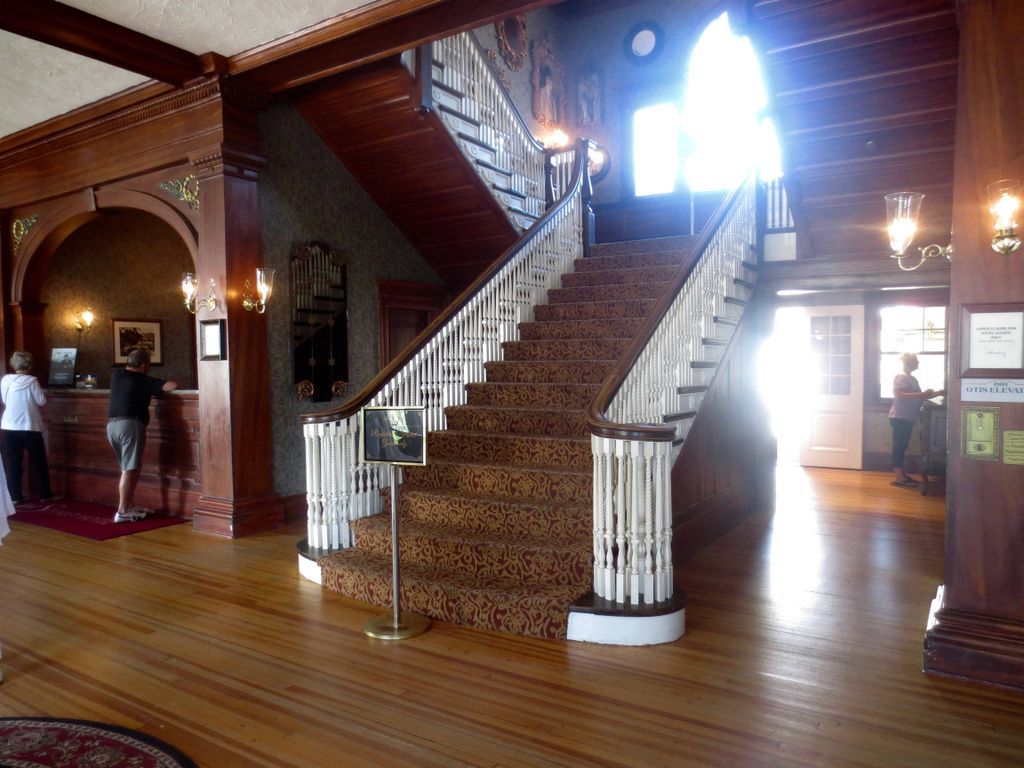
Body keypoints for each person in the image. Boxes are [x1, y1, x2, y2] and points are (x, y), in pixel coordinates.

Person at [107, 348, 177, 522]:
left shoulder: (117, 376)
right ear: (145, 365)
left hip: (112, 426)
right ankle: (122, 511)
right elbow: (172, 386)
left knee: (131, 466)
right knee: (129, 469)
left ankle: (129, 506)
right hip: (130, 424)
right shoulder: (143, 380)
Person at [1, 351, 55, 504]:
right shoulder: (32, 381)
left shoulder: (5, 380)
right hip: (30, 425)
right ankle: (45, 494)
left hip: (9, 425)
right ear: (30, 365)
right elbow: (41, 401)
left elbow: (4, 400)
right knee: (39, 462)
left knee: (13, 462)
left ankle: (15, 496)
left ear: (13, 364)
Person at [889, 352, 943, 488]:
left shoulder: (912, 379)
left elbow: (920, 396)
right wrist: (923, 394)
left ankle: (901, 475)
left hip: (907, 417)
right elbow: (900, 394)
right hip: (900, 417)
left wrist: (937, 393)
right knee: (899, 447)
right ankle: (899, 478)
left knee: (902, 446)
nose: (918, 363)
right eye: (916, 361)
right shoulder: (901, 376)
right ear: (910, 362)